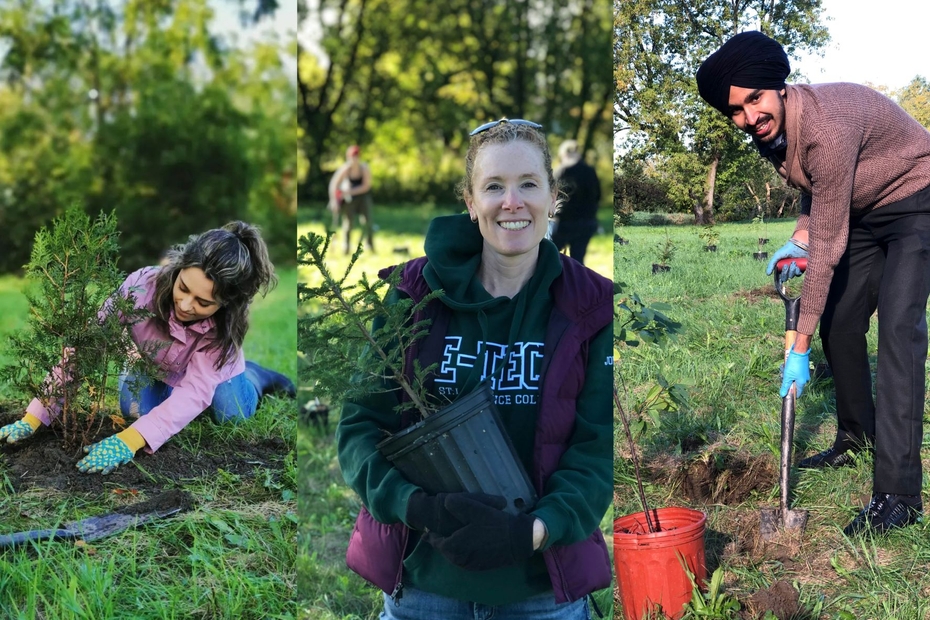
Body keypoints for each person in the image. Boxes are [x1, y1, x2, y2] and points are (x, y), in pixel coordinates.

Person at [336, 119, 613, 619]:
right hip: (424, 588)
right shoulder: (414, 296)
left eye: (529, 184)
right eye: (493, 187)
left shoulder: (590, 307)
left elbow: (597, 450)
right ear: (469, 202)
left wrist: (527, 533)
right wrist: (416, 506)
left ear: (553, 197)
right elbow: (359, 424)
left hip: (541, 593)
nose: (512, 202)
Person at [696, 31, 930, 536]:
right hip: (863, 209)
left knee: (897, 331)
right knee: (841, 324)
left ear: (777, 87)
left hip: (917, 197)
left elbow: (827, 251)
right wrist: (800, 234)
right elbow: (814, 186)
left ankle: (899, 494)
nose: (749, 117)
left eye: (755, 100)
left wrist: (796, 344)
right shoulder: (770, 132)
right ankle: (855, 436)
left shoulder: (829, 122)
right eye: (736, 110)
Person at [0, 221, 296, 474]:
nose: (185, 304)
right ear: (179, 268)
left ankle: (255, 377)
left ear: (225, 303)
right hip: (156, 368)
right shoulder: (141, 287)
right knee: (136, 410)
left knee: (231, 414)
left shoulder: (224, 329)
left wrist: (129, 440)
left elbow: (194, 393)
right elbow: (86, 346)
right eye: (183, 288)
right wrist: (35, 415)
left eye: (203, 302)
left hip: (212, 375)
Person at [551, 139, 602, 265]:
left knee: (550, 255)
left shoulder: (560, 171)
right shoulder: (589, 171)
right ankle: (577, 282)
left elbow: (552, 197)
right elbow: (597, 195)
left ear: (564, 154)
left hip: (563, 222)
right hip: (586, 222)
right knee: (578, 260)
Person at [328, 144, 375, 254]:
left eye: (356, 157)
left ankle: (370, 245)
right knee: (348, 223)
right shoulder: (345, 169)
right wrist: (334, 201)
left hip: (363, 197)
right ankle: (346, 247)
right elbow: (334, 185)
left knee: (367, 222)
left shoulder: (364, 168)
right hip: (349, 199)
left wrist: (350, 191)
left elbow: (366, 186)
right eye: (351, 157)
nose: (353, 160)